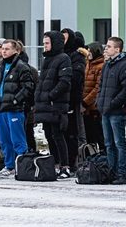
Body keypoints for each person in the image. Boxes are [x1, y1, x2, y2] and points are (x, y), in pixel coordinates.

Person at [0, 39, 36, 177]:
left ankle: (22, 165)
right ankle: (9, 165)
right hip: (2, 108)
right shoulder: (0, 66)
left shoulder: (21, 67)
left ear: (15, 51)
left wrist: (16, 100)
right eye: (2, 48)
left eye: (6, 49)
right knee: (4, 140)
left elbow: (28, 87)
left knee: (17, 139)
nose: (3, 51)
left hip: (14, 109)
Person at [34, 31, 72, 178]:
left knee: (58, 135)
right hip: (45, 105)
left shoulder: (63, 59)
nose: (44, 46)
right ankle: (54, 163)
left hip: (55, 105)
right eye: (44, 43)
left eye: (47, 43)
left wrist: (51, 95)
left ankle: (65, 165)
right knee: (48, 134)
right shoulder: (47, 59)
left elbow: (64, 81)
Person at [96, 36, 126, 184]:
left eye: (109, 46)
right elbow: (101, 85)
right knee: (108, 143)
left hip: (116, 111)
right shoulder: (107, 65)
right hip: (105, 110)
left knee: (119, 143)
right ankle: (111, 172)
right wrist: (99, 101)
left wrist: (114, 103)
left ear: (117, 49)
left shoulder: (124, 66)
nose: (106, 49)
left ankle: (122, 173)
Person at [61, 28, 87, 170]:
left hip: (71, 99)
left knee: (73, 132)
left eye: (65, 38)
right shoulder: (58, 55)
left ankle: (72, 162)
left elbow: (76, 78)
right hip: (59, 100)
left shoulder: (76, 56)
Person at [82, 41, 105, 150]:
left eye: (90, 51)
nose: (88, 53)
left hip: (94, 107)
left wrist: (85, 101)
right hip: (87, 108)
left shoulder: (101, 66)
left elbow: (97, 88)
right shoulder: (88, 64)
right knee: (89, 136)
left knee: (99, 134)